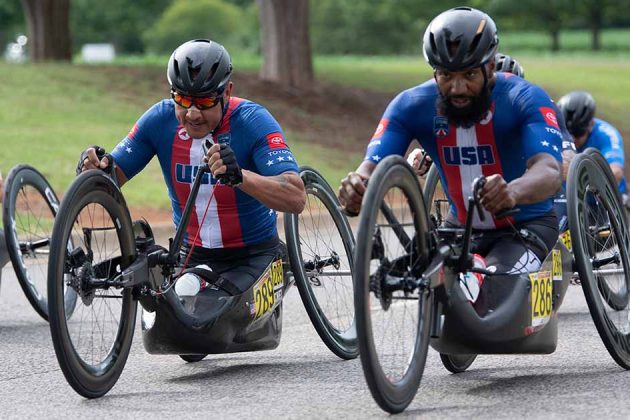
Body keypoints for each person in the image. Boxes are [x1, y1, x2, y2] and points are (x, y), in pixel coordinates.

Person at [339, 7, 563, 275]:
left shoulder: (523, 97)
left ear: (490, 67)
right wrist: (357, 190)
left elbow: (549, 171)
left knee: (491, 290)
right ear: (435, 72)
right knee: (426, 286)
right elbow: (370, 170)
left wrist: (512, 191)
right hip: (459, 232)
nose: (457, 88)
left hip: (526, 227)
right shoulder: (410, 105)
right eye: (446, 75)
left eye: (469, 74)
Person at [78, 39, 306, 297]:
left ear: (227, 92)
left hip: (253, 255)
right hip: (190, 255)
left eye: (206, 101)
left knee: (213, 329)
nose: (193, 114)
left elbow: (296, 197)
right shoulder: (159, 120)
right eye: (183, 100)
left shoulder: (253, 120)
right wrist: (94, 170)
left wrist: (240, 176)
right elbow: (110, 178)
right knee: (164, 319)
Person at [557, 91, 626, 196]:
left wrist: (576, 174)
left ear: (591, 124)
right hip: (572, 196)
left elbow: (616, 173)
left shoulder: (606, 134)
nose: (572, 139)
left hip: (605, 197)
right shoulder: (552, 129)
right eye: (566, 133)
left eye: (577, 133)